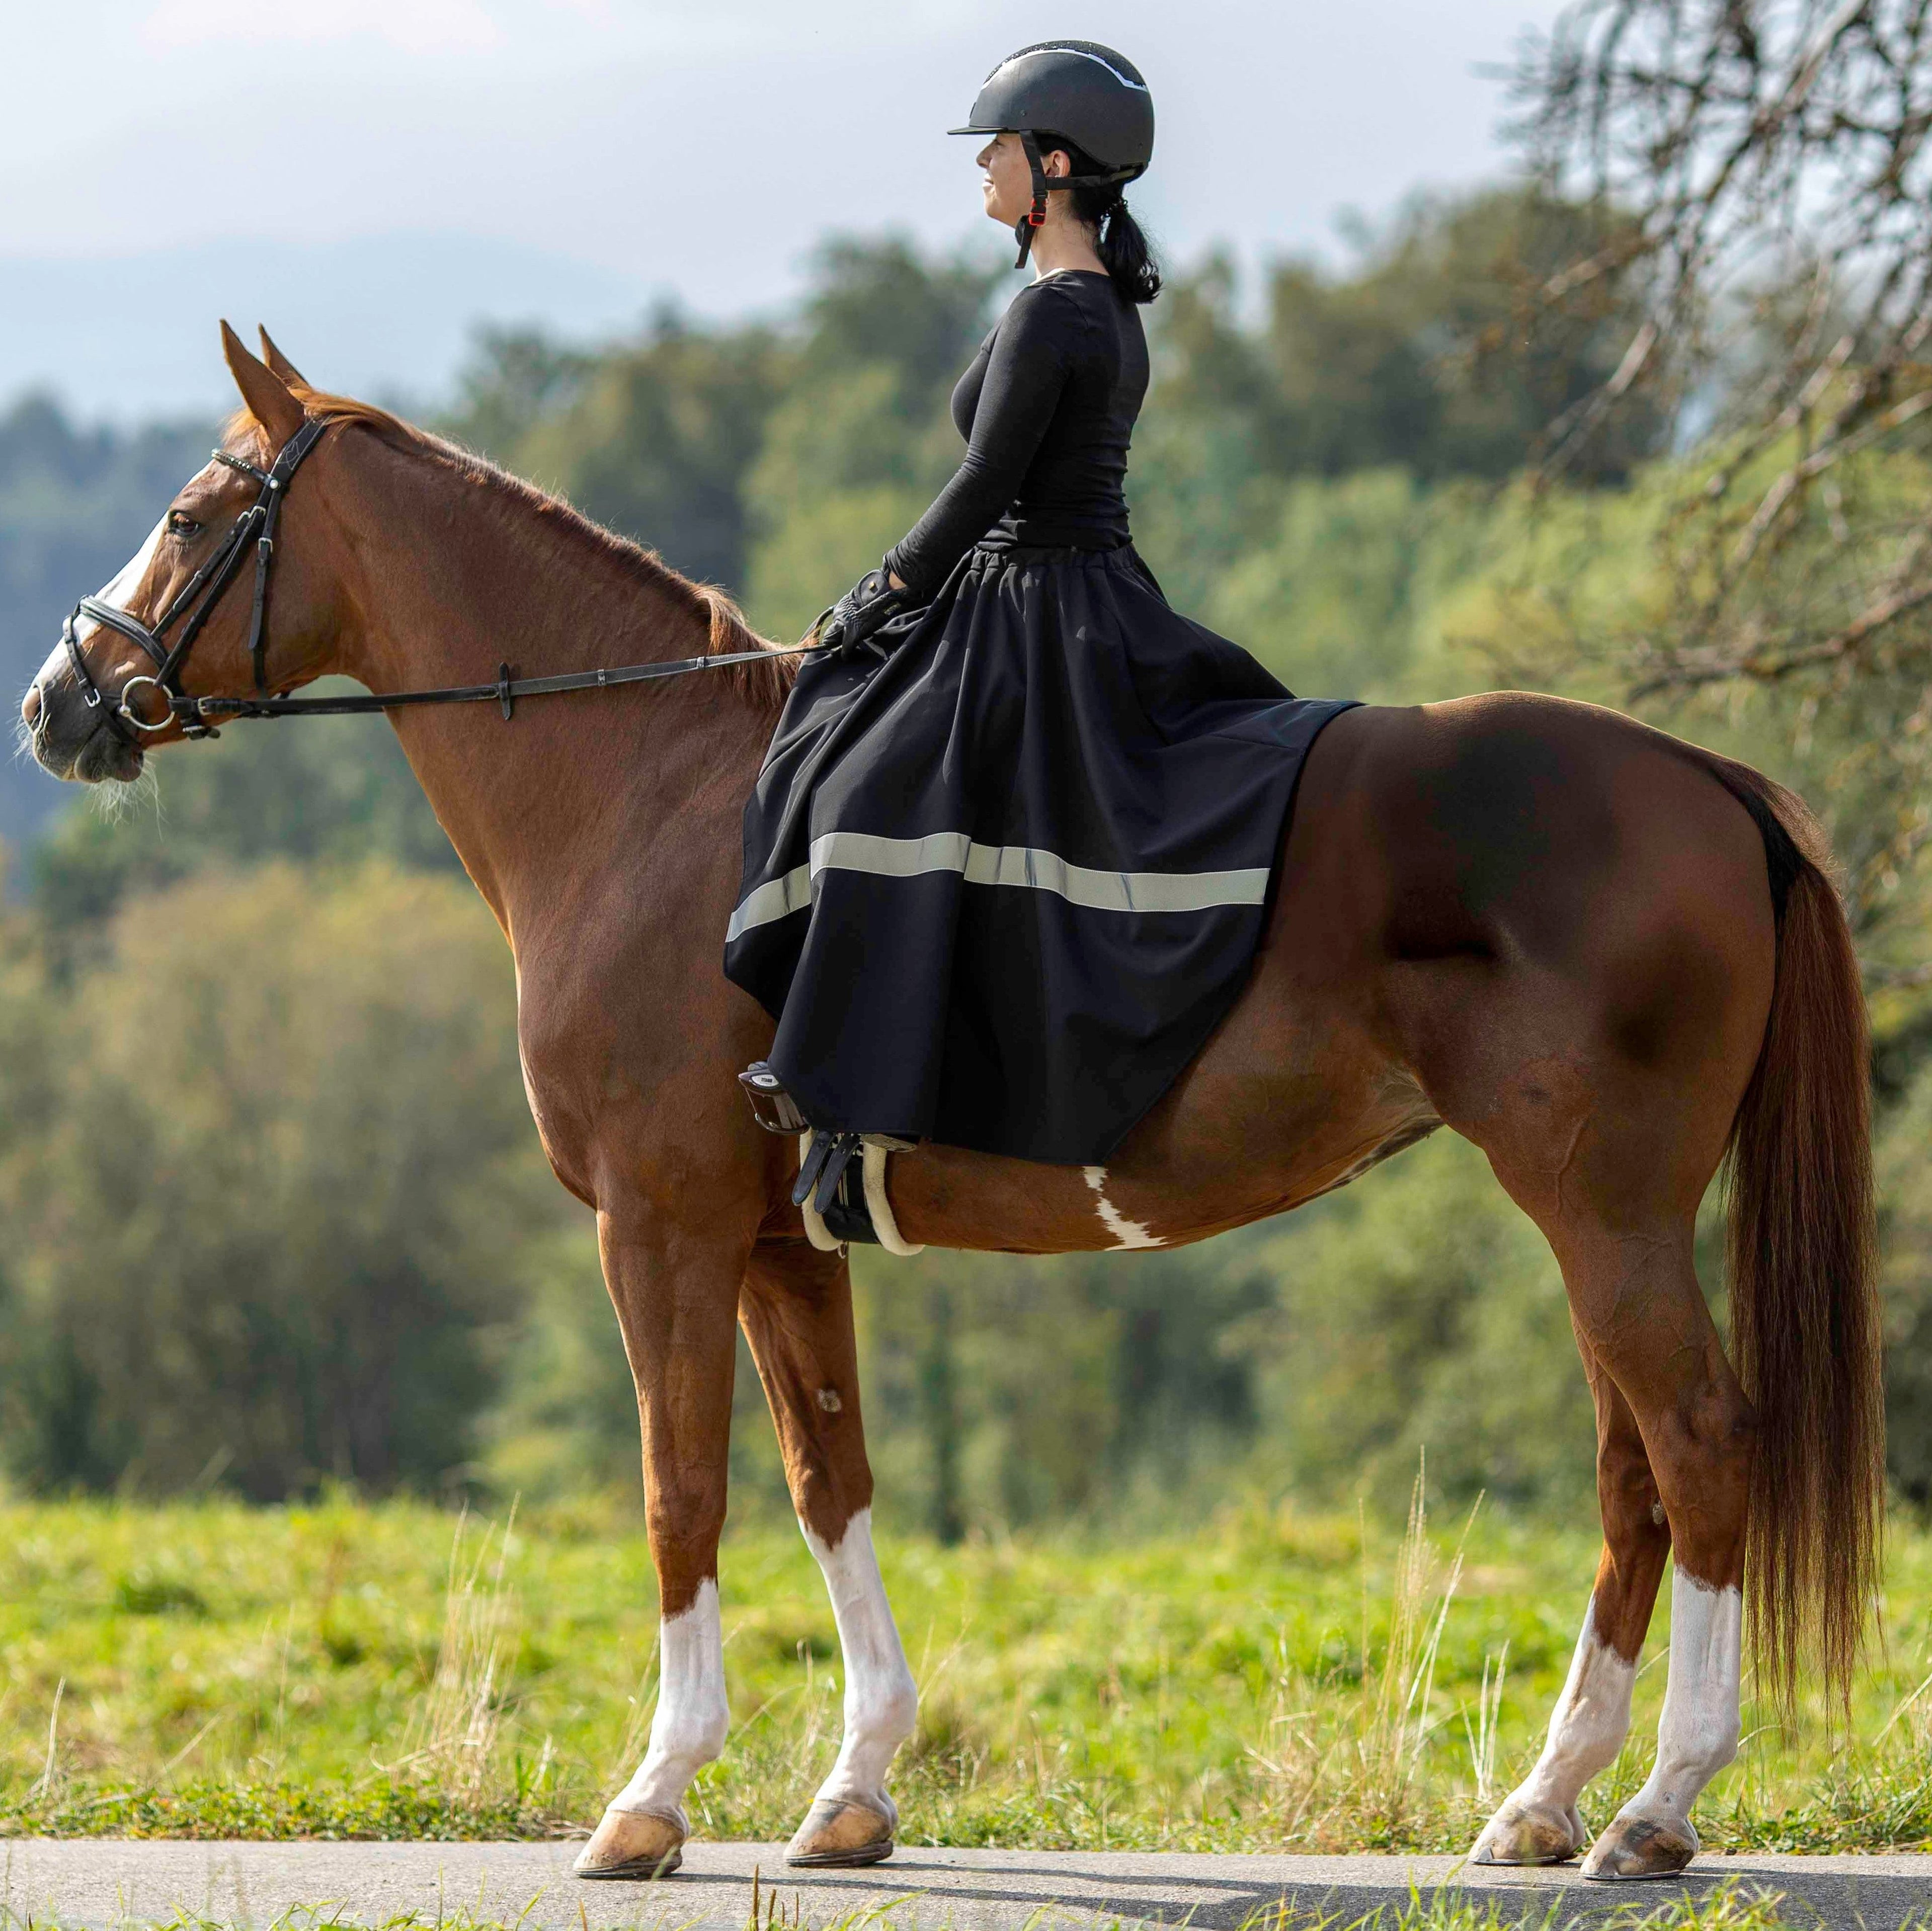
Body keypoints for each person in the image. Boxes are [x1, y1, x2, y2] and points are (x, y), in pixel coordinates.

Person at [726, 41, 1357, 1237]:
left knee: (865, 790)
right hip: (1083, 586)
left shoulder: (1054, 313)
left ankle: (849, 1107)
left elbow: (981, 486)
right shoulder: (1100, 307)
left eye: (999, 150)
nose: (982, 168)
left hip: (1034, 604)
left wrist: (881, 590)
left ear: (1052, 166)